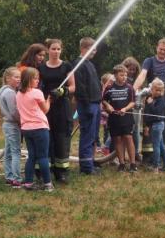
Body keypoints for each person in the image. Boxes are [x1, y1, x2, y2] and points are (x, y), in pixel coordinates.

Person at [37, 38, 75, 184]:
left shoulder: (66, 66)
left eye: (58, 49)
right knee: (46, 138)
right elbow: (36, 84)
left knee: (61, 138)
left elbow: (73, 86)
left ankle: (61, 172)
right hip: (46, 106)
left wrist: (62, 90)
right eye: (53, 49)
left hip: (62, 107)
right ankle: (43, 170)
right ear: (48, 50)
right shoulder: (41, 68)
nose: (56, 52)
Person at [16, 67, 54, 191]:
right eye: (36, 78)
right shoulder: (37, 92)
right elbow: (46, 110)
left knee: (31, 156)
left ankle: (28, 183)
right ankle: (48, 184)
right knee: (43, 157)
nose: (38, 81)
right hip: (39, 127)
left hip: (26, 129)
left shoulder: (18, 94)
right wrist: (48, 100)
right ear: (29, 79)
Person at [71, 37, 103, 175]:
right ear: (84, 48)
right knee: (87, 136)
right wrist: (87, 104)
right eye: (93, 48)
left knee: (93, 136)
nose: (95, 51)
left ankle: (90, 163)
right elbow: (80, 88)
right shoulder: (78, 64)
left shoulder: (89, 63)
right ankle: (86, 168)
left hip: (95, 103)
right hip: (87, 106)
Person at [102, 65, 137, 172]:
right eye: (122, 75)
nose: (124, 77)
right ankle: (121, 163)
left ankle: (132, 164)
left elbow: (133, 102)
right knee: (117, 139)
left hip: (126, 118)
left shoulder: (129, 88)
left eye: (125, 75)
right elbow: (103, 100)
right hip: (114, 118)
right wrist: (108, 106)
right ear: (115, 75)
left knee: (128, 138)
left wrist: (125, 109)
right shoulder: (109, 88)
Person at [0, 67, 22, 188]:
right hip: (12, 125)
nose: (19, 79)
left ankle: (9, 176)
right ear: (8, 78)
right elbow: (14, 112)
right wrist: (21, 122)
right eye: (16, 77)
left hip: (6, 124)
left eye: (20, 77)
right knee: (16, 151)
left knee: (8, 152)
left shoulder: (2, 90)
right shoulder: (11, 93)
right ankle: (16, 179)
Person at [144, 78, 165, 172]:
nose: (158, 92)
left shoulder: (161, 101)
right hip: (153, 125)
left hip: (158, 125)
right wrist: (147, 126)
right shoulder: (151, 99)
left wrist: (151, 104)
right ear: (151, 90)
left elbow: (156, 112)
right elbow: (147, 114)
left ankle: (156, 166)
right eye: (156, 90)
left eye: (160, 90)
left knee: (156, 146)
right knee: (161, 145)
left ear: (163, 91)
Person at [121, 56, 143, 160]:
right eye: (130, 69)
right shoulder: (121, 79)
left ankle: (136, 153)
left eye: (134, 70)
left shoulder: (137, 80)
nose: (132, 72)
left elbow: (139, 93)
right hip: (124, 108)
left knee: (136, 130)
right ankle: (114, 152)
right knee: (123, 131)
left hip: (136, 109)